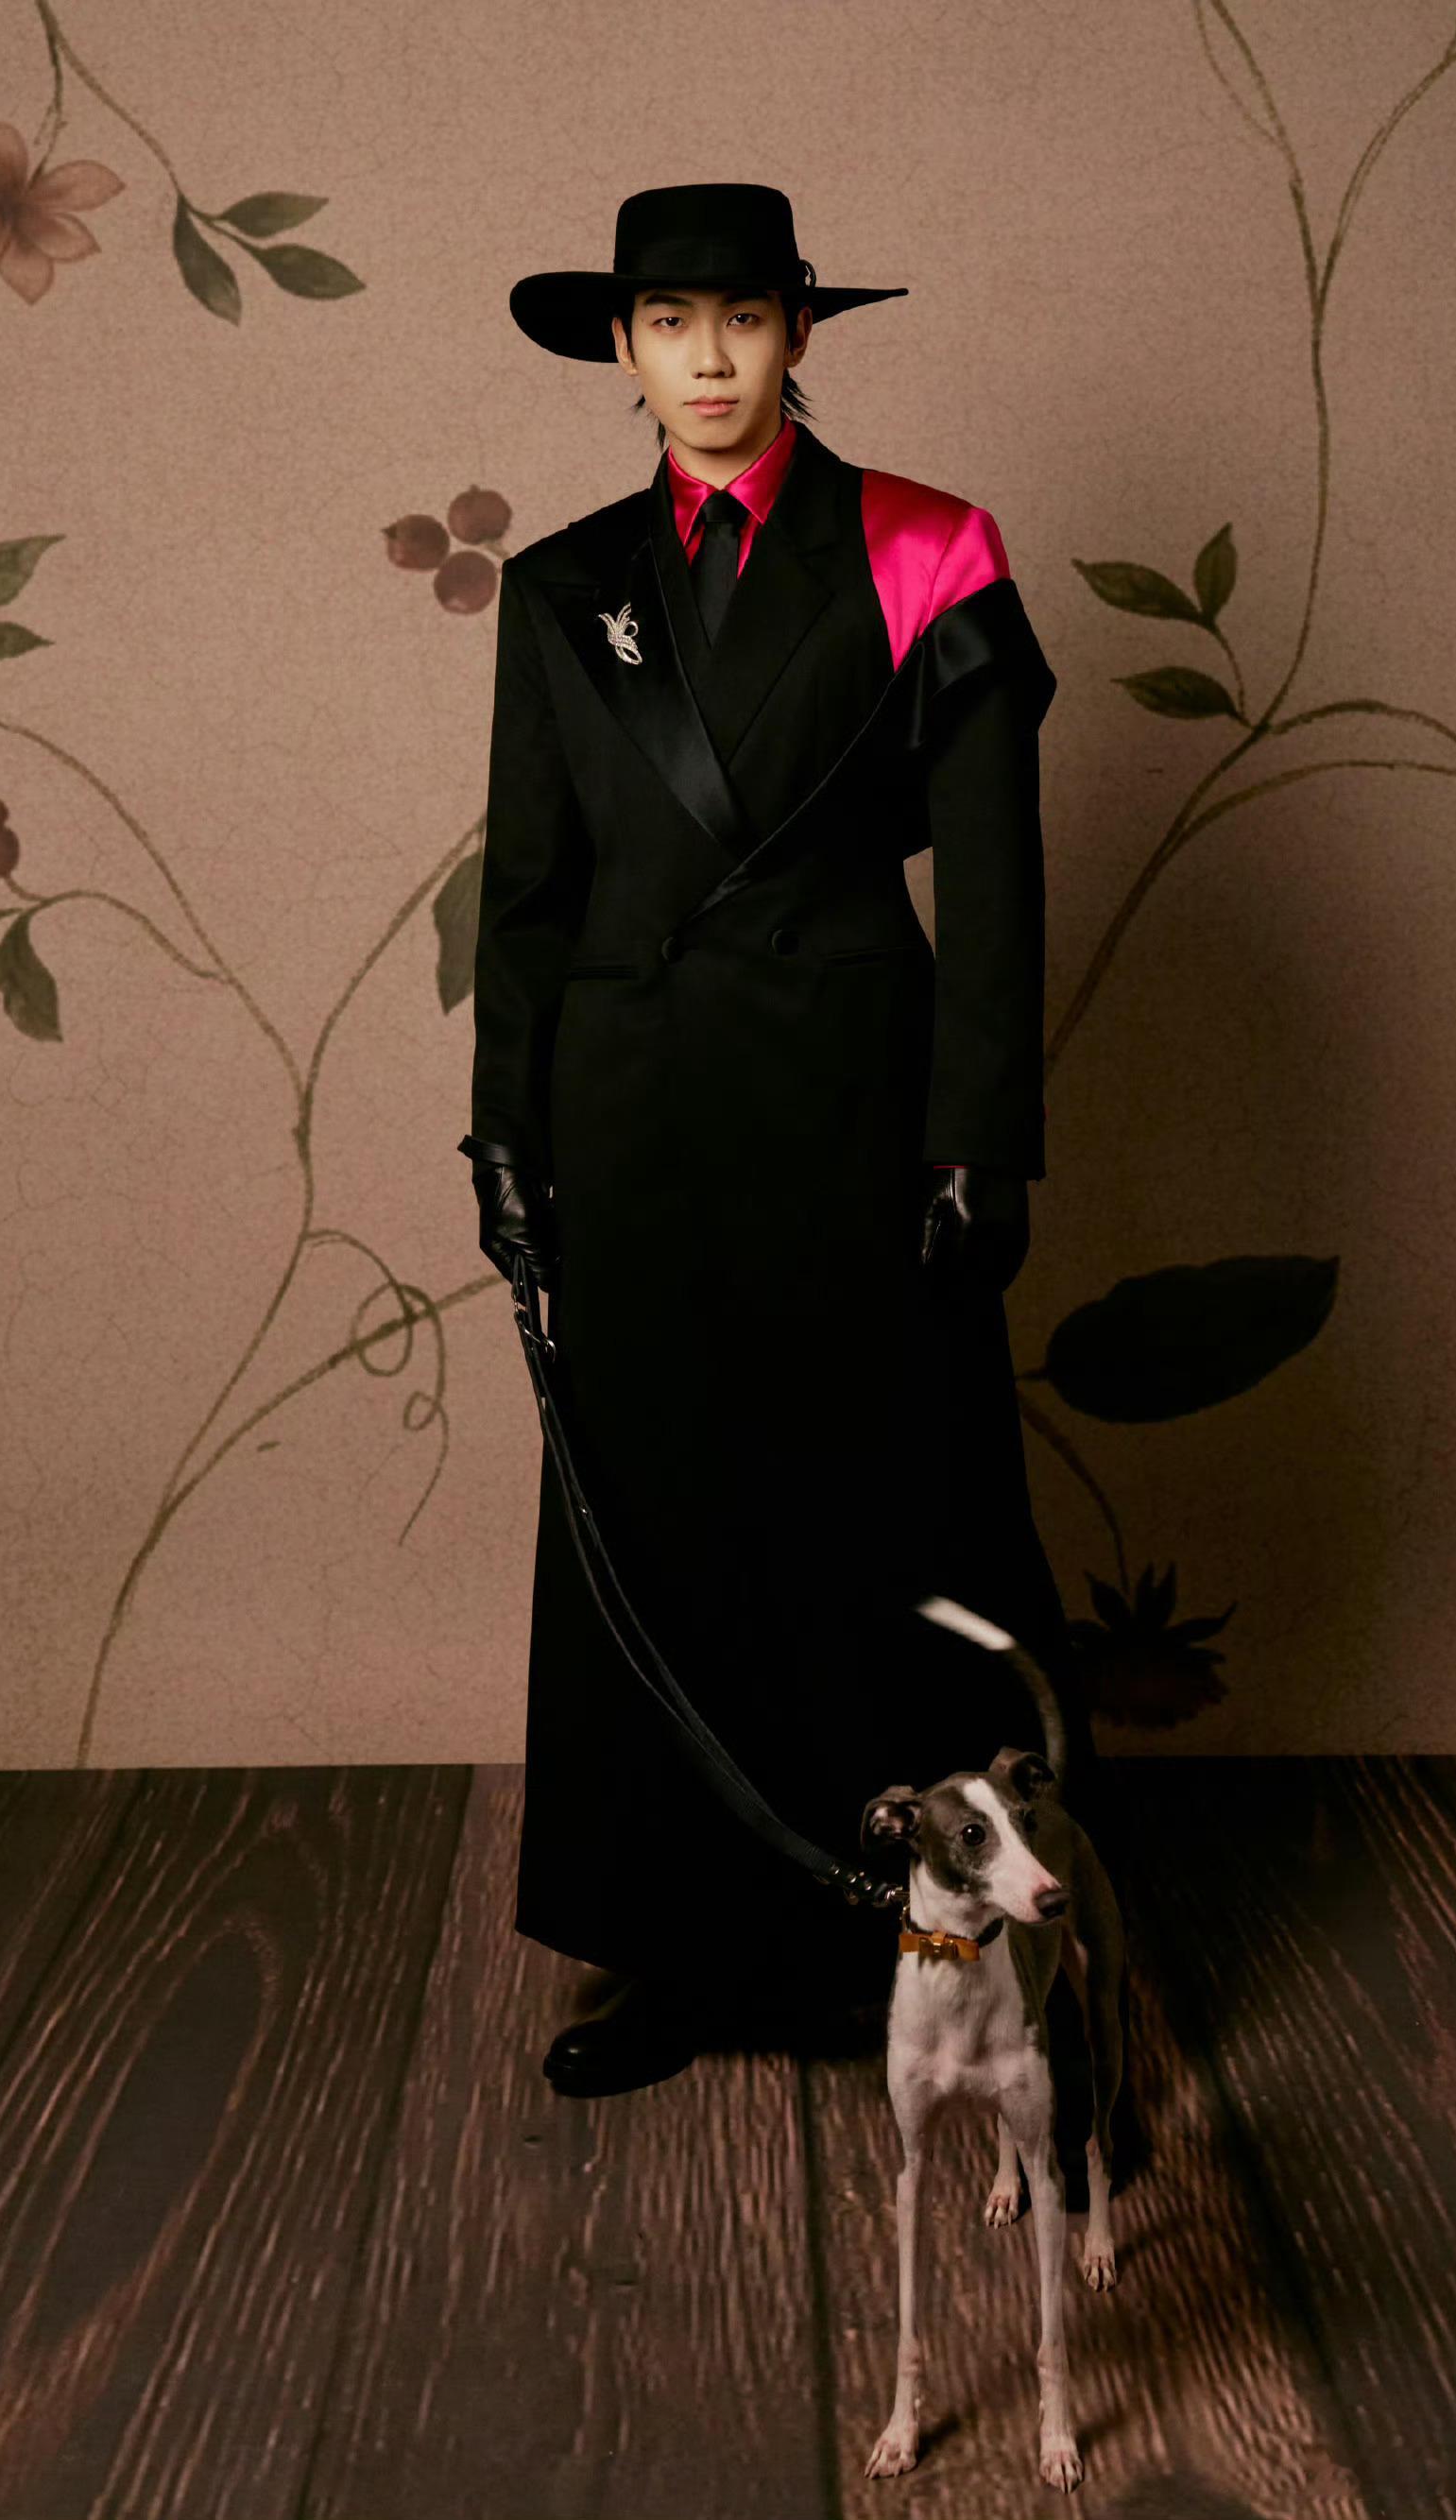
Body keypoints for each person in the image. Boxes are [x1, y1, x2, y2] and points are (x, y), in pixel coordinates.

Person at [459, 183, 1107, 2100]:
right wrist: (505, 1140)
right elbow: (528, 894)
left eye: (744, 316)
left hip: (853, 1109)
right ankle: (673, 1954)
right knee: (655, 1526)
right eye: (669, 321)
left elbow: (994, 880)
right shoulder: (563, 585)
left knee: (882, 1511)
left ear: (800, 332)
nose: (710, 358)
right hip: (628, 1114)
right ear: (622, 344)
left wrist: (981, 1140)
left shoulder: (926, 546)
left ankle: (907, 1944)